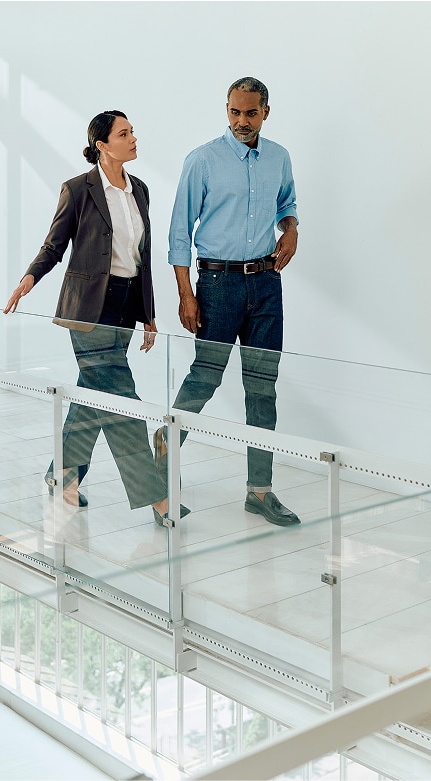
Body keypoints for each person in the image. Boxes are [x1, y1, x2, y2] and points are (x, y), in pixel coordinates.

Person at [4, 110, 188, 526]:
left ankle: (62, 477)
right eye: (124, 134)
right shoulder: (78, 189)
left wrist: (149, 315)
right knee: (122, 400)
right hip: (88, 310)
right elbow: (54, 245)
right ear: (102, 145)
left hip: (125, 306)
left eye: (132, 131)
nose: (133, 138)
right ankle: (158, 497)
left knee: (94, 394)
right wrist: (28, 279)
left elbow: (142, 258)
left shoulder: (139, 189)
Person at [155, 77, 300, 527]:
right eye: (234, 112)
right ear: (227, 109)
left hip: (266, 284)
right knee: (205, 377)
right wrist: (186, 294)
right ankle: (160, 466)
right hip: (216, 285)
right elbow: (179, 232)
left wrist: (291, 227)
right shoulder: (203, 160)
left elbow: (286, 203)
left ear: (266, 113)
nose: (241, 121)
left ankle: (259, 491)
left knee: (262, 387)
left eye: (250, 114)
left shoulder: (278, 157)